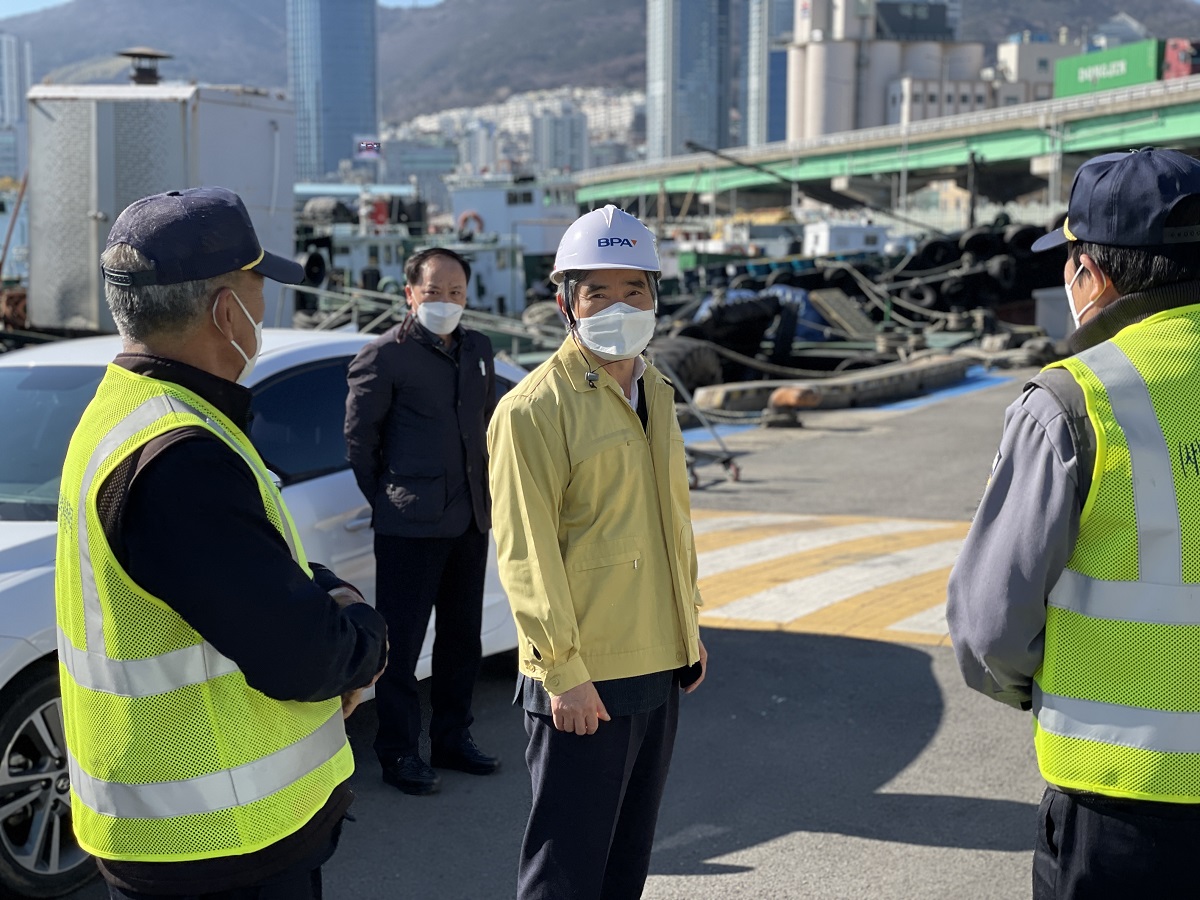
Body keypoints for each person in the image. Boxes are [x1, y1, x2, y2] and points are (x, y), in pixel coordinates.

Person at [56, 186, 389, 900]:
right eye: (258, 288)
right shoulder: (180, 455)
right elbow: (302, 655)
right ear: (225, 311)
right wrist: (366, 636)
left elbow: (236, 572)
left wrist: (321, 589)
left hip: (177, 838)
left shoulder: (126, 414)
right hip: (223, 847)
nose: (264, 311)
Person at [947, 148, 1200, 898]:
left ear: (1091, 272)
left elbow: (988, 627)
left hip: (1122, 799)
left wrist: (1045, 689)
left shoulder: (1075, 400)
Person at [488, 205, 708, 900]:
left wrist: (689, 629)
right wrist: (562, 672)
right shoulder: (533, 409)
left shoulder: (657, 392)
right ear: (566, 304)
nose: (619, 307)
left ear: (655, 298)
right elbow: (526, 554)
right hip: (584, 679)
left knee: (623, 867)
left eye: (634, 290)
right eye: (598, 293)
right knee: (565, 875)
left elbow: (670, 523)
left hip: (656, 665)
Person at [345, 246, 499, 796]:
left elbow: (486, 423)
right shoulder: (383, 356)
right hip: (409, 527)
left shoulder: (479, 349)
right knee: (402, 648)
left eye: (456, 292)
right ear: (410, 294)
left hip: (470, 520)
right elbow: (360, 443)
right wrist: (392, 500)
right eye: (434, 292)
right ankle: (399, 752)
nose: (446, 302)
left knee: (462, 641)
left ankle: (453, 739)